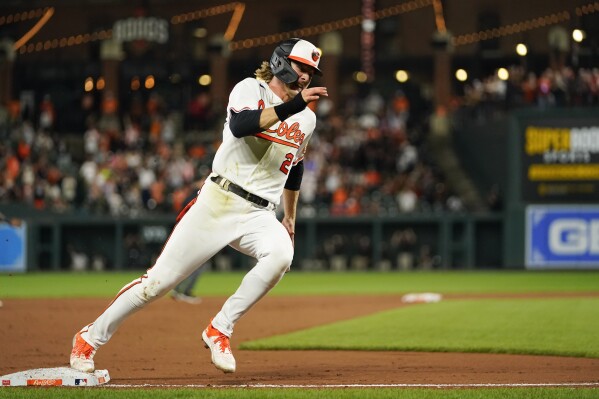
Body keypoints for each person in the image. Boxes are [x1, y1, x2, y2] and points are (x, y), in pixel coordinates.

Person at [70, 38, 327, 374]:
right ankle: (88, 338)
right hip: (219, 201)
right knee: (156, 284)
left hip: (259, 213)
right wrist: (293, 108)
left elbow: (294, 167)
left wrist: (290, 218)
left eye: (311, 70)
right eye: (301, 66)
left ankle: (220, 328)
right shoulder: (250, 88)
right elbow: (242, 125)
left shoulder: (307, 120)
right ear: (280, 61)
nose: (306, 75)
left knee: (281, 255)